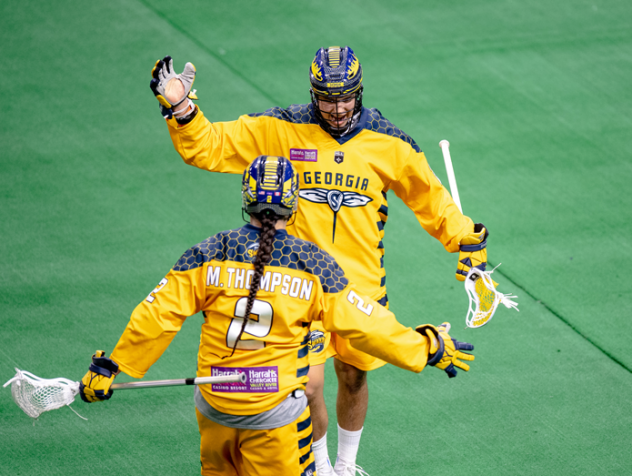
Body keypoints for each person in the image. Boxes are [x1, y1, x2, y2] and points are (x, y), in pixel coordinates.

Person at [149, 47, 489, 476]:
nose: (337, 107)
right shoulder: (281, 129)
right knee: (307, 386)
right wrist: (180, 107)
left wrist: (465, 238)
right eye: (327, 98)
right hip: (300, 288)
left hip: (361, 287)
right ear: (313, 94)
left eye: (346, 96)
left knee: (354, 377)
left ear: (359, 91)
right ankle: (319, 465)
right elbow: (211, 147)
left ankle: (346, 465)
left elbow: (430, 199)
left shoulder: (390, 143)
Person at [78, 156, 475, 476]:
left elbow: (157, 313)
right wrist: (426, 347)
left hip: (214, 408)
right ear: (294, 202)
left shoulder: (207, 252)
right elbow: (366, 324)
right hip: (274, 418)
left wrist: (112, 366)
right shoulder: (312, 265)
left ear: (246, 199)